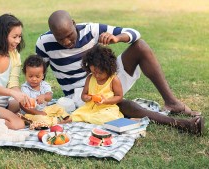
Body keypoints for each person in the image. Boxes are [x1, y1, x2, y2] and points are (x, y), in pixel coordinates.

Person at [35, 10, 204, 135]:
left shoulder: (91, 30)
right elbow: (40, 74)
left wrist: (117, 38)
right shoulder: (44, 43)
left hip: (106, 78)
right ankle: (181, 123)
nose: (66, 42)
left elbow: (135, 33)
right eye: (60, 38)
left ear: (74, 23)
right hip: (82, 95)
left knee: (140, 46)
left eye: (69, 35)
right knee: (121, 105)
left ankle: (172, 103)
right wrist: (37, 98)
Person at [63, 44, 124, 125]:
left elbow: (119, 97)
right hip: (89, 108)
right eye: (94, 72)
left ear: (109, 69)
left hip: (107, 108)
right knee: (75, 114)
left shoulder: (113, 79)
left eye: (100, 73)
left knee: (107, 117)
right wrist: (86, 98)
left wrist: (106, 101)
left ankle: (89, 119)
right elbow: (83, 95)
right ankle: (88, 118)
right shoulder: (90, 78)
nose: (97, 75)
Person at [19, 55, 70, 122]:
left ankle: (65, 118)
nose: (34, 79)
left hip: (44, 110)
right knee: (40, 119)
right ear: (25, 74)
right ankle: (56, 121)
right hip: (30, 113)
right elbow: (24, 106)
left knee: (58, 107)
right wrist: (38, 113)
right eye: (30, 76)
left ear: (43, 75)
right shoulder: (25, 88)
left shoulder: (44, 85)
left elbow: (50, 96)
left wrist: (44, 96)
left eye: (37, 76)